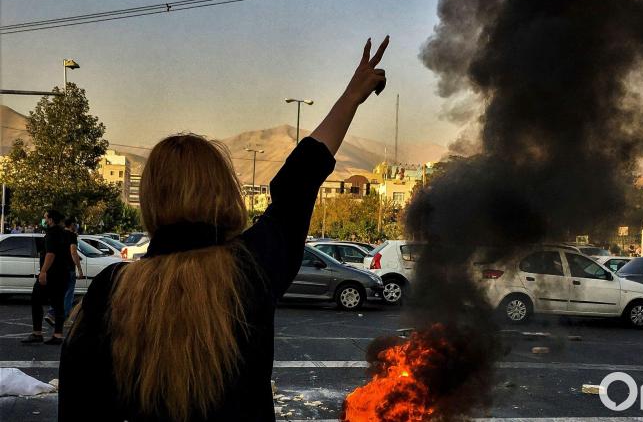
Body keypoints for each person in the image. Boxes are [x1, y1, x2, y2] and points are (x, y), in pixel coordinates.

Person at [59, 36, 389, 421]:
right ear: (223, 191)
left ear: (151, 200)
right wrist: (351, 97)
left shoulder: (110, 291)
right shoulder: (250, 268)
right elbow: (299, 180)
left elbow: (77, 407)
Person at [21, 209, 73, 345]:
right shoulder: (65, 233)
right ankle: (58, 335)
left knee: (36, 299)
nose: (44, 220)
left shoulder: (51, 234)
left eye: (45, 218)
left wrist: (43, 271)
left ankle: (37, 333)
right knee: (58, 304)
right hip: (63, 273)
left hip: (52, 274)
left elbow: (51, 254)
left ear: (50, 219)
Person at [46, 218, 84, 326]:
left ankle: (51, 313)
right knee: (68, 294)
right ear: (71, 224)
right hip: (68, 269)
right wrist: (79, 269)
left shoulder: (59, 234)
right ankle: (64, 318)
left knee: (59, 292)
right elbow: (73, 251)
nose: (76, 226)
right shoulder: (72, 236)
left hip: (58, 268)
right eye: (75, 224)